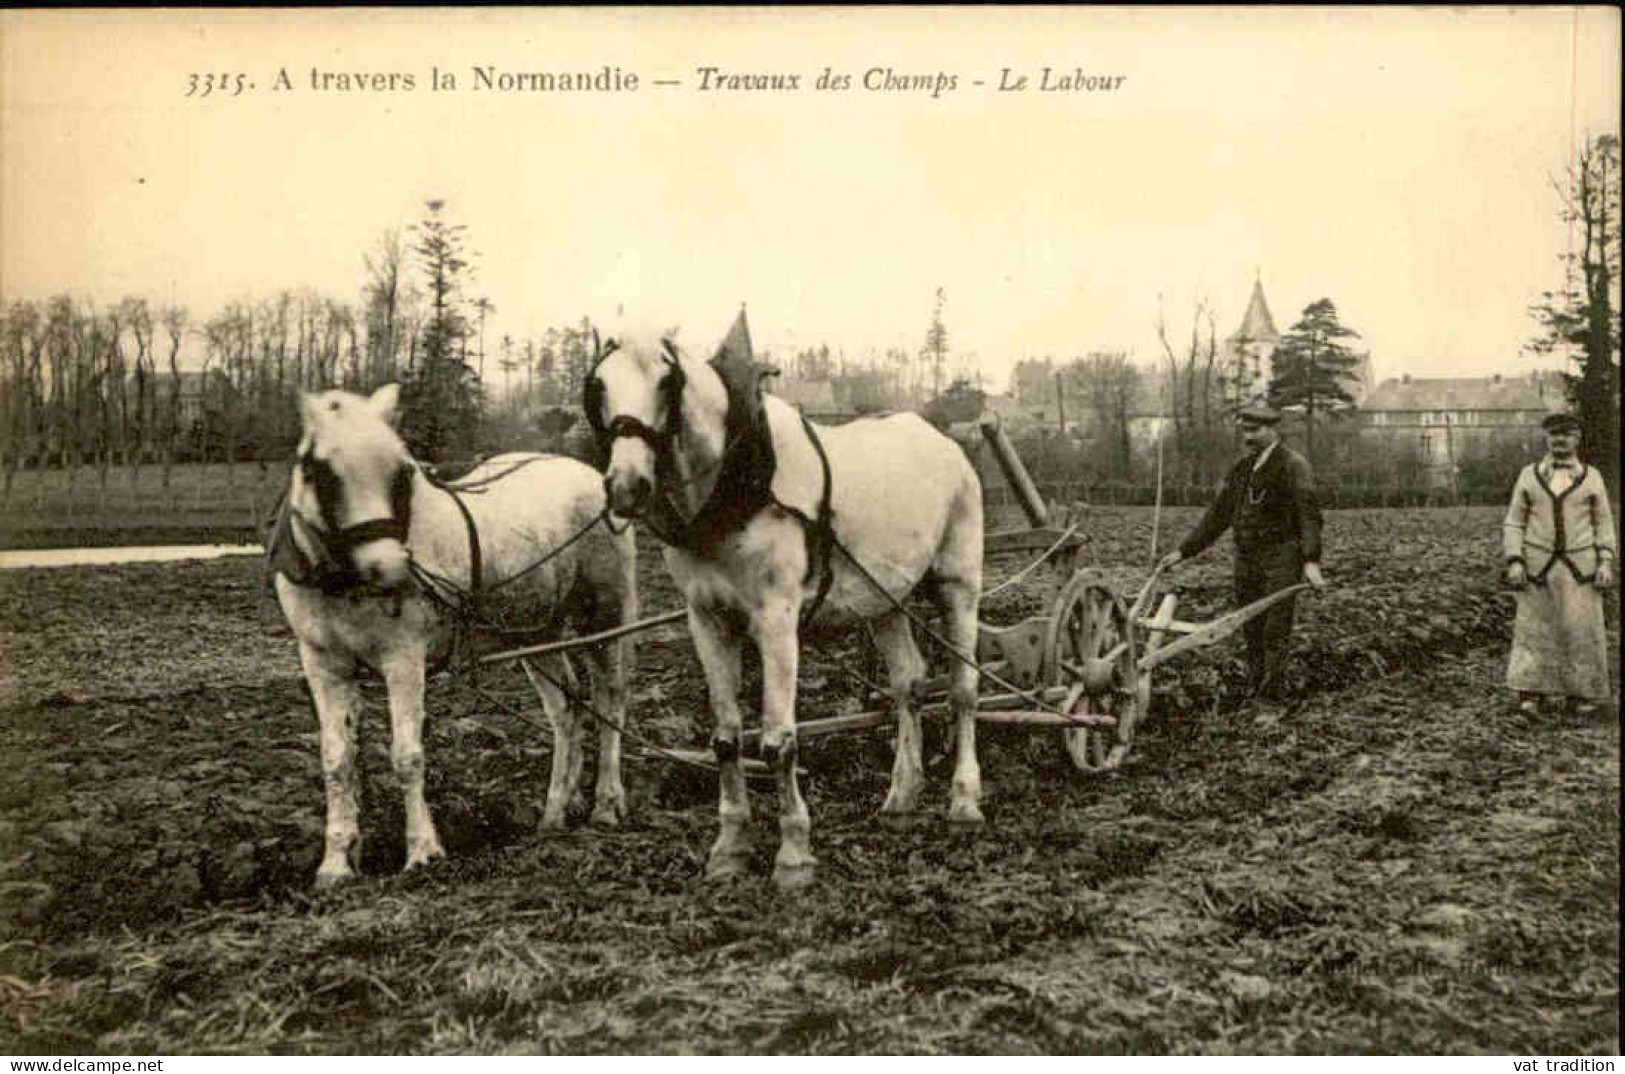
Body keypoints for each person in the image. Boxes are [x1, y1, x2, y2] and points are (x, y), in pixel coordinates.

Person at [1158, 399, 1327, 701]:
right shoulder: (1242, 469)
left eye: (1255, 430)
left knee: (1274, 628)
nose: (1248, 437)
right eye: (1245, 431)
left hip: (1281, 557)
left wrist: (1310, 561)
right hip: (1247, 558)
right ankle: (1255, 688)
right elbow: (1218, 515)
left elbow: (1308, 514)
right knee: (1251, 626)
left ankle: (1272, 696)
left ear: (1273, 429)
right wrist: (1184, 552)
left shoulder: (1293, 466)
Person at [1502, 412, 1616, 717]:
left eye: (1567, 435)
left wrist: (1605, 560)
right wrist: (1515, 560)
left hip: (1581, 566)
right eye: (1554, 435)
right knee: (1534, 628)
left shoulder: (1592, 477)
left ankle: (1583, 695)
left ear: (1577, 439)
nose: (1560, 441)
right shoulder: (1529, 476)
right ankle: (1531, 693)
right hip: (1538, 566)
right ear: (1546, 439)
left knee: (1581, 629)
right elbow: (1514, 521)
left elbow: (1603, 522)